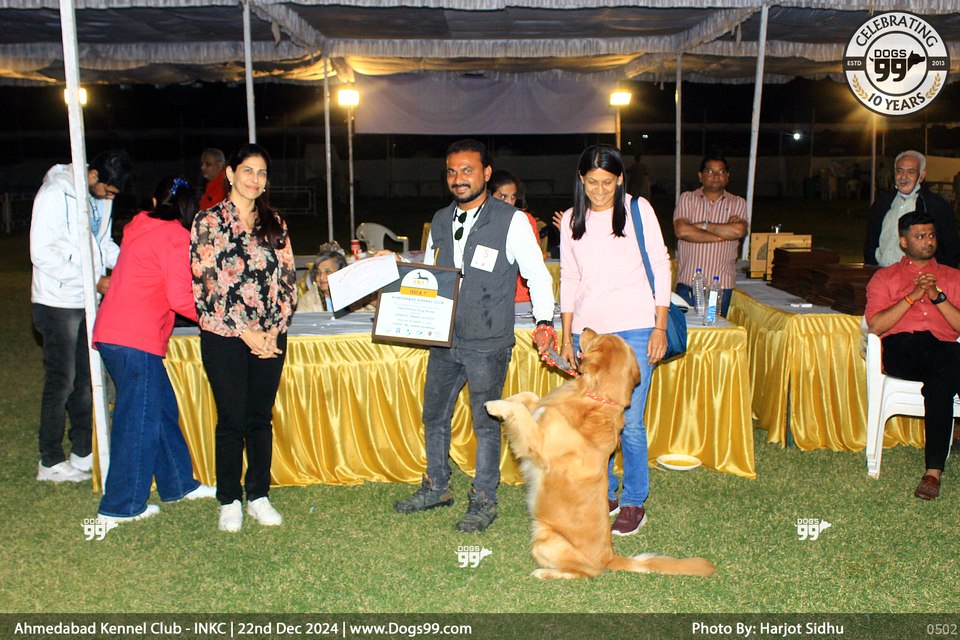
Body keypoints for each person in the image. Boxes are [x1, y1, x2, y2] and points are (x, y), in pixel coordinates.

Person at [393, 139, 557, 533]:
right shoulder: (439, 219)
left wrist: (544, 321)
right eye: (452, 171)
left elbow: (537, 275)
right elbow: (431, 275)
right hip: (444, 338)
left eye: (467, 170)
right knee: (434, 415)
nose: (458, 178)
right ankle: (437, 486)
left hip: (487, 340)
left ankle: (484, 498)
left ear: (486, 173)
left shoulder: (511, 220)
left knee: (485, 423)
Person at [558, 144, 671, 536]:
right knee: (596, 419)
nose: (600, 190)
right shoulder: (571, 219)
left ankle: (634, 500)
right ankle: (603, 492)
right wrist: (567, 334)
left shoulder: (639, 210)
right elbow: (569, 277)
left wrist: (659, 326)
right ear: (581, 180)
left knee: (631, 422)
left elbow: (661, 265)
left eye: (608, 182)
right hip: (589, 334)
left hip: (636, 328)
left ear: (620, 179)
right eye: (592, 182)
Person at [92, 176, 217, 522]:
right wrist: (215, 318)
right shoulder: (175, 236)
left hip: (116, 332)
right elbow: (179, 297)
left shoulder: (138, 227)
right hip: (136, 337)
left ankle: (178, 483)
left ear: (154, 201)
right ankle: (120, 506)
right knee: (138, 419)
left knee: (160, 409)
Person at [190, 143, 298, 532]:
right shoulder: (208, 221)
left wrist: (272, 330)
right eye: (248, 170)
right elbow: (207, 286)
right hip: (225, 335)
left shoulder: (275, 222)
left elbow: (288, 280)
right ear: (231, 174)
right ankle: (229, 499)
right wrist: (245, 331)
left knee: (260, 418)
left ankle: (258, 495)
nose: (255, 179)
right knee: (232, 419)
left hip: (270, 336)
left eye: (262, 172)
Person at [31, 149, 133, 483]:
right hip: (57, 300)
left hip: (88, 300)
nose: (111, 197)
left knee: (88, 380)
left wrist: (130, 265)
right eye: (109, 190)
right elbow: (41, 252)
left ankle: (82, 450)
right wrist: (92, 279)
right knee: (62, 380)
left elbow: (103, 244)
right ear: (93, 176)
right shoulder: (54, 192)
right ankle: (50, 460)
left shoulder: (100, 197)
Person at [865, 211, 960, 500]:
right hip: (902, 349)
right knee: (944, 363)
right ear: (904, 242)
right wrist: (912, 296)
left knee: (939, 383)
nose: (928, 241)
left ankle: (932, 474)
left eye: (931, 235)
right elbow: (876, 326)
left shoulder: (953, 277)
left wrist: (937, 296)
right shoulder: (885, 277)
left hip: (943, 350)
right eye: (920, 236)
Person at [672, 152, 748, 318]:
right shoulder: (688, 199)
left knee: (715, 328)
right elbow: (682, 231)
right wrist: (722, 235)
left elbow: (738, 231)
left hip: (720, 287)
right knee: (686, 330)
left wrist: (702, 225)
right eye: (710, 171)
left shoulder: (737, 202)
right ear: (701, 175)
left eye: (721, 172)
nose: (716, 176)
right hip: (688, 284)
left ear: (727, 176)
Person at [865, 150, 960, 269]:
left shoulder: (936, 206)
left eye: (911, 172)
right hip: (881, 273)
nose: (903, 177)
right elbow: (870, 242)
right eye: (899, 171)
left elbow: (951, 248)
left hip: (920, 277)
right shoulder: (881, 203)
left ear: (922, 175)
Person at [488, 169, 541, 303]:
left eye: (513, 197)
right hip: (488, 296)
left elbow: (534, 263)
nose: (509, 203)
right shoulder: (480, 220)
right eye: (503, 197)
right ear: (488, 195)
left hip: (521, 296)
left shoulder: (525, 220)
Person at [297, 242, 348, 313]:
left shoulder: (355, 296)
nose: (321, 277)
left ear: (341, 273)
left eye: (328, 272)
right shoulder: (308, 301)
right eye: (318, 272)